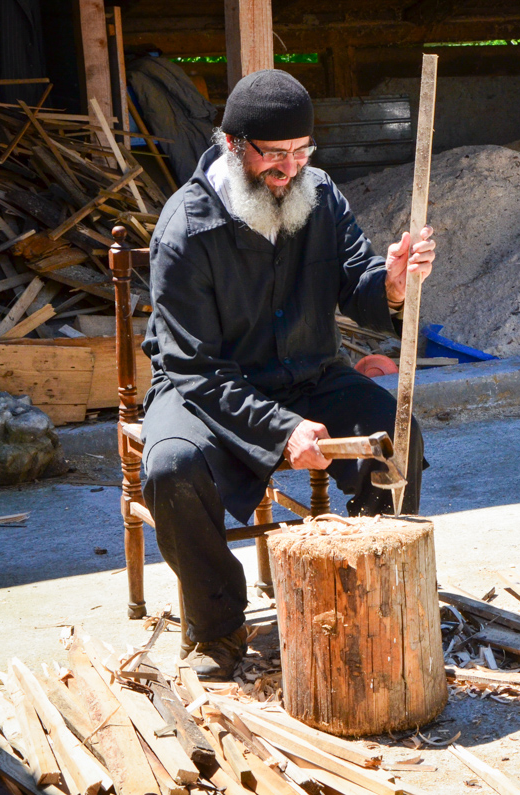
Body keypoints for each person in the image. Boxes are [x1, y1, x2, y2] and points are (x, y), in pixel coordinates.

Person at [139, 69, 435, 678]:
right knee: (172, 468)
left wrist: (394, 282)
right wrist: (281, 430)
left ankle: (363, 588)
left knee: (397, 435)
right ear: (232, 144)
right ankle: (217, 628)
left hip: (308, 371)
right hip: (207, 390)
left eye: (302, 153)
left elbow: (358, 282)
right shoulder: (184, 228)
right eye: (274, 155)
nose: (289, 169)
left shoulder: (320, 194)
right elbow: (192, 365)